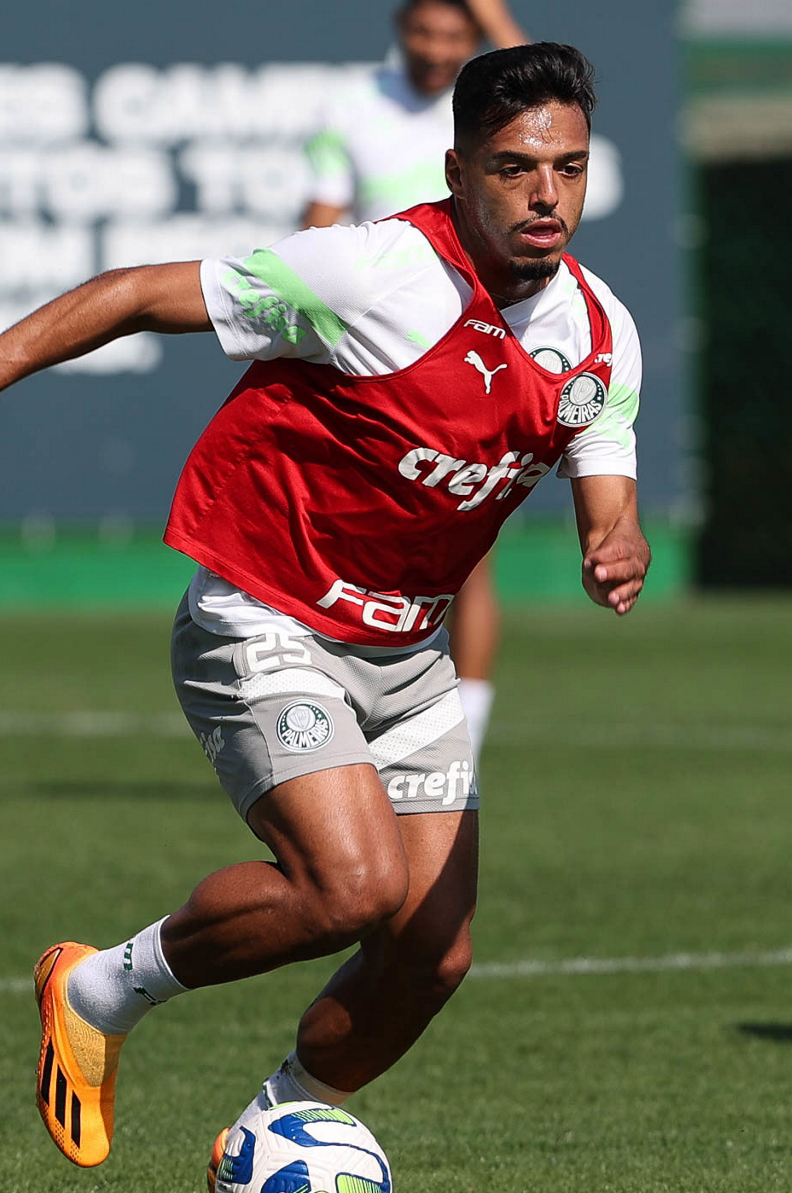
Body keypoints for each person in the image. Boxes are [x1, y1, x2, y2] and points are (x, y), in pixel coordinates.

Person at [0, 44, 649, 1181]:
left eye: (567, 168)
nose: (546, 194)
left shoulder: (600, 330)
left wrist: (613, 538)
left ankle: (276, 1129)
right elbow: (135, 293)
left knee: (430, 955)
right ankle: (95, 989)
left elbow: (602, 470)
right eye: (514, 167)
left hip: (407, 654)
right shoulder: (374, 272)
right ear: (457, 170)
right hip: (264, 616)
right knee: (350, 887)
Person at [303, 0, 531, 758]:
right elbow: (321, 221)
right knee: (358, 534)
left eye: (455, 34)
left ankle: (463, 735)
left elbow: (544, 97)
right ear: (401, 30)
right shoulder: (352, 107)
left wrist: (491, 13)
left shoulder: (492, 107)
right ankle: (336, 714)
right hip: (378, 343)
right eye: (424, 31)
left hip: (474, 339)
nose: (436, 48)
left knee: (466, 548)